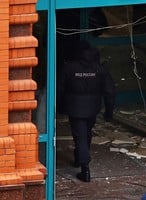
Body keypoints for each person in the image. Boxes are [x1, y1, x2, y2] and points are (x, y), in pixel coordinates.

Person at [58, 40, 116, 182]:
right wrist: (109, 112)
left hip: (75, 108)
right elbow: (110, 92)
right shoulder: (99, 69)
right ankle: (79, 158)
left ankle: (85, 169)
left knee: (80, 136)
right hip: (92, 109)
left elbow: (59, 89)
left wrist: (58, 107)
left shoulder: (69, 68)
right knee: (86, 134)